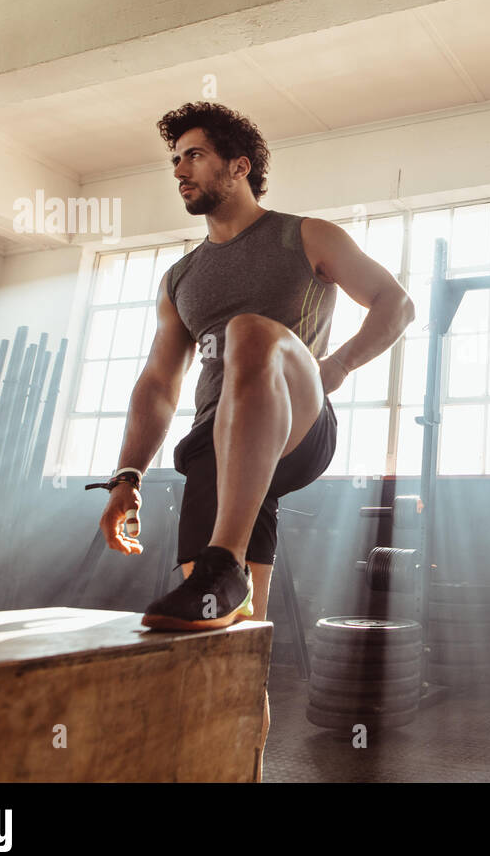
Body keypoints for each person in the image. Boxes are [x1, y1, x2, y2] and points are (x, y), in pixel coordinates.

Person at [93, 102, 414, 771]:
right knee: (220, 657)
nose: (180, 169)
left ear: (238, 167)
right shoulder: (180, 277)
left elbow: (395, 303)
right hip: (219, 456)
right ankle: (243, 757)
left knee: (250, 331)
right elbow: (158, 384)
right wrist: (128, 478)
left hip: (299, 422)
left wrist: (339, 366)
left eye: (194, 155)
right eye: (175, 159)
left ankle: (222, 564)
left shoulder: (306, 236)